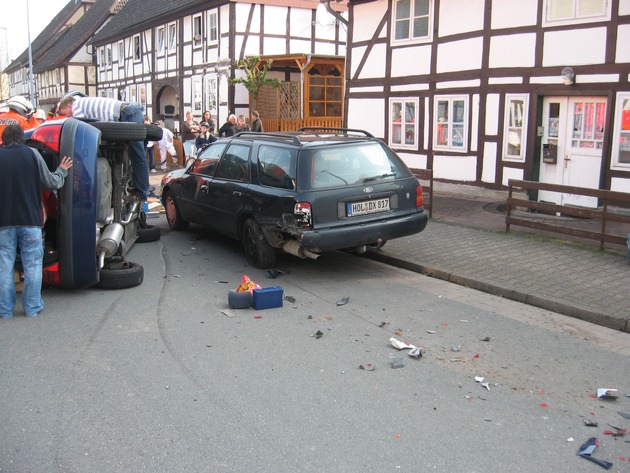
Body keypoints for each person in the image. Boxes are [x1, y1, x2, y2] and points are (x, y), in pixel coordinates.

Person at [0, 125, 72, 318]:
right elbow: (51, 183)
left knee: (4, 266)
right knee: (32, 265)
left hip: (3, 223)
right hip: (31, 221)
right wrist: (62, 171)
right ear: (21, 139)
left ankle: (5, 310)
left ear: (4, 140)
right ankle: (32, 308)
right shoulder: (32, 154)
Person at [57, 95, 149, 201]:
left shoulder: (76, 106)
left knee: (137, 154)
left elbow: (81, 128)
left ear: (69, 106)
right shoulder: (84, 102)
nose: (68, 117)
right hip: (130, 112)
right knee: (137, 154)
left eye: (65, 113)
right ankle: (138, 187)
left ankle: (142, 192)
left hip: (129, 113)